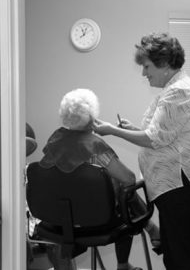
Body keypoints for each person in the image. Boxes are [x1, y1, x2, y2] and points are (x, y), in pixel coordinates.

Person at [93, 32, 190, 270]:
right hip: (177, 186)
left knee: (185, 257)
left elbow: (154, 138)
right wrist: (133, 129)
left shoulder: (180, 91)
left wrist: (112, 130)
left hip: (187, 183)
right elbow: (163, 133)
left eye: (146, 66)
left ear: (164, 64)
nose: (144, 73)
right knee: (175, 255)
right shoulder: (172, 89)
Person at [40, 88, 160, 270]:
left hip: (60, 221)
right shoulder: (94, 145)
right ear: (92, 116)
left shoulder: (54, 140)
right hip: (97, 221)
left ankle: (150, 230)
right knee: (123, 192)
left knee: (116, 189)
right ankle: (127, 260)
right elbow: (128, 178)